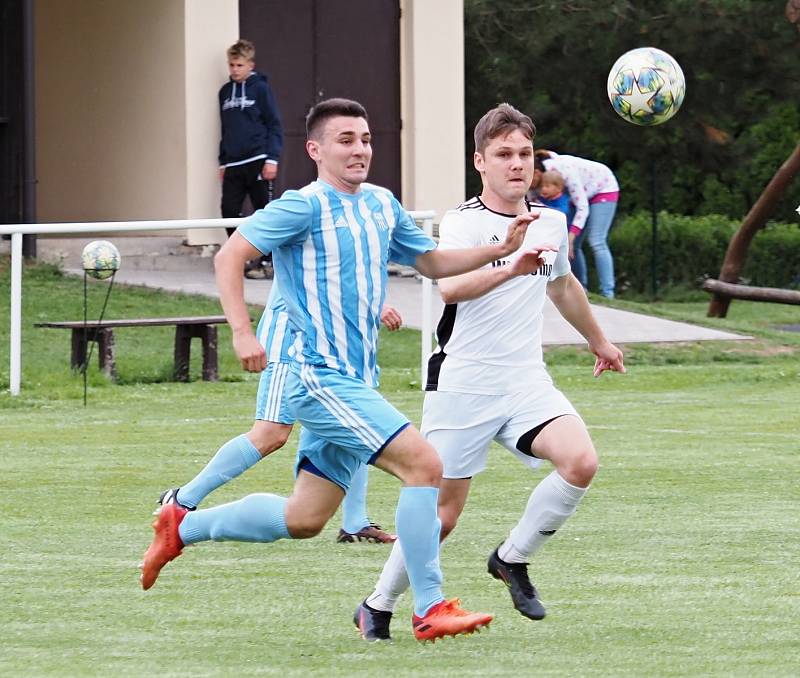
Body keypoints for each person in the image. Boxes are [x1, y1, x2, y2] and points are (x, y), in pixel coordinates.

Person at [141, 97, 542, 642]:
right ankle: (429, 607)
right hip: (315, 374)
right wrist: (241, 331)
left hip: (354, 379)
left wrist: (504, 252)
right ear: (315, 150)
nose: (360, 150)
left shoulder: (380, 204)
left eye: (366, 139)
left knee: (305, 519)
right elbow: (228, 256)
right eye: (345, 140)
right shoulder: (300, 206)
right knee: (426, 465)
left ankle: (184, 525)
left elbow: (430, 263)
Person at [353, 103, 625, 641]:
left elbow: (563, 285)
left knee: (581, 461)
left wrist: (600, 340)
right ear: (480, 161)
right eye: (503, 154)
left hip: (525, 380)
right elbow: (450, 288)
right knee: (443, 515)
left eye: (524, 153)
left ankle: (511, 558)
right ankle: (377, 605)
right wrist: (511, 263)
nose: (517, 164)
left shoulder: (549, 219)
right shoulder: (463, 222)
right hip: (463, 383)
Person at [156, 281, 402, 545]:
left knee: (349, 425)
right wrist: (370, 305)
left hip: (333, 347)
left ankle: (355, 524)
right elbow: (311, 273)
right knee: (270, 434)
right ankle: (182, 500)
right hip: (291, 340)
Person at [218, 39, 283, 279]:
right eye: (231, 64)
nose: (234, 69)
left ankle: (267, 261)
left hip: (258, 158)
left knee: (263, 212)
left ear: (250, 65)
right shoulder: (224, 93)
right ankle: (240, 256)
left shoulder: (261, 89)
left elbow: (274, 124)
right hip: (233, 163)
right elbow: (225, 129)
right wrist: (223, 161)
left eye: (239, 65)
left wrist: (272, 158)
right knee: (228, 210)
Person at [531, 150, 619, 298]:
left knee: (596, 241)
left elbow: (582, 207)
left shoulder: (564, 171)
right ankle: (581, 289)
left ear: (537, 173)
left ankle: (608, 293)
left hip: (602, 188)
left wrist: (571, 237)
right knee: (573, 245)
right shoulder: (539, 177)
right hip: (580, 196)